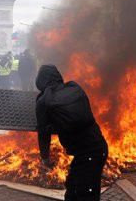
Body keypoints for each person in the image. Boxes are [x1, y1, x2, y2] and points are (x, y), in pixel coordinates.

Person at [35, 65, 108, 201]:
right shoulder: (74, 87)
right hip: (98, 148)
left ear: (40, 81)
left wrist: (45, 158)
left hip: (88, 154)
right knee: (72, 190)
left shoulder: (43, 101)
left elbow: (43, 133)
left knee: (85, 196)